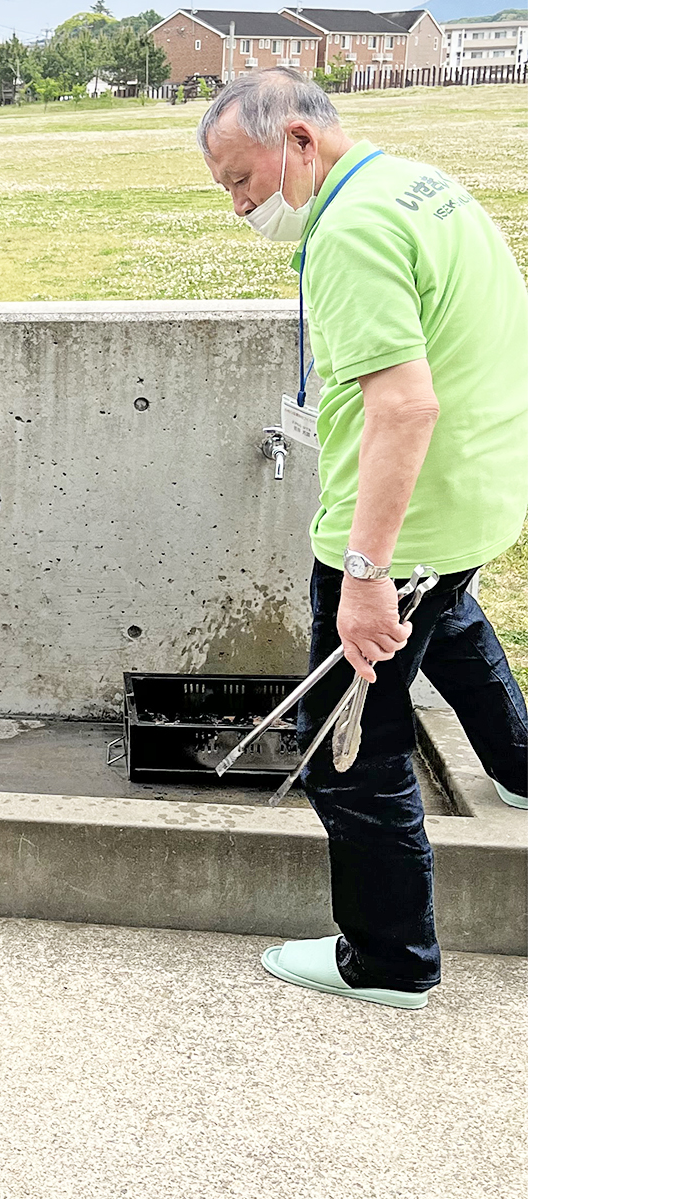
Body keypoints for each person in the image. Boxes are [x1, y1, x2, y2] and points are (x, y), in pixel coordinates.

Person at [198, 68, 527, 1009]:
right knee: (453, 625)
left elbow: (404, 407)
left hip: (400, 524)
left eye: (240, 178)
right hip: (472, 501)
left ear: (297, 140)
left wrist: (365, 574)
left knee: (351, 740)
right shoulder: (424, 185)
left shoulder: (347, 232)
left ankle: (388, 959)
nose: (239, 206)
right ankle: (525, 773)